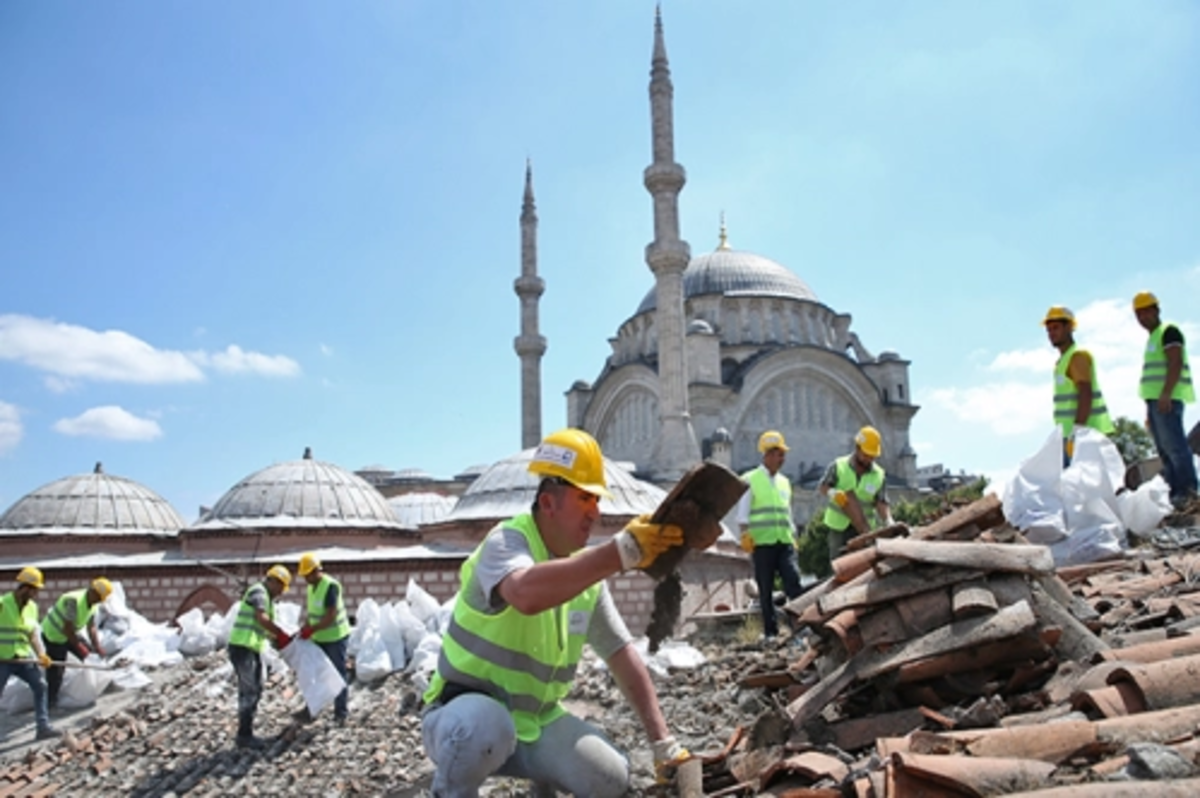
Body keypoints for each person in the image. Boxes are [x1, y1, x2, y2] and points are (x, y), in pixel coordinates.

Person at [421, 428, 690, 797]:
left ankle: (541, 789)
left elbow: (622, 654)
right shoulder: (505, 543)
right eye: (584, 499)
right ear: (547, 504)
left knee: (611, 778)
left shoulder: (586, 576)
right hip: (461, 719)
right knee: (483, 728)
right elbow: (526, 592)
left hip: (534, 724)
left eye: (596, 500)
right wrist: (619, 554)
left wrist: (663, 742)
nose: (595, 513)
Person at [736, 430, 803, 639]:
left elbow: (787, 511)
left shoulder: (785, 482)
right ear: (767, 454)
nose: (782, 458)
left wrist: (793, 535)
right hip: (762, 544)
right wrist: (745, 535)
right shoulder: (749, 479)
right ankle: (770, 633)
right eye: (778, 454)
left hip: (784, 541)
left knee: (794, 582)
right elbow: (743, 514)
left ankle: (801, 627)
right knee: (765, 590)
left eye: (783, 454)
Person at [1134, 291, 1198, 510]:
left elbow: (1175, 362)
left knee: (1175, 447)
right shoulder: (1153, 338)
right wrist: (1149, 411)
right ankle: (1174, 493)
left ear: (1156, 310)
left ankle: (1187, 492)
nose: (1143, 317)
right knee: (1164, 449)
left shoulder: (1168, 332)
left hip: (1167, 399)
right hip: (1156, 402)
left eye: (1146, 311)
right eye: (1139, 313)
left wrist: (1166, 393)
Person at [228, 564, 292, 750]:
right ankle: (244, 735)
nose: (281, 592)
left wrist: (283, 643)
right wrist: (280, 634)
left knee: (255, 688)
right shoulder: (259, 592)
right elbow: (262, 619)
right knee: (250, 690)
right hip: (242, 646)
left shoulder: (268, 599)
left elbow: (265, 629)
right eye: (281, 587)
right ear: (274, 582)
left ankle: (246, 732)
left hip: (250, 647)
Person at [1044, 305, 1115, 465]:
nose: (1051, 333)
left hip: (1086, 435)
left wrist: (1078, 431)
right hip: (1073, 435)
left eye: (1055, 328)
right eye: (1048, 330)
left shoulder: (1077, 357)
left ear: (1069, 327)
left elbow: (1085, 393)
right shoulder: (1063, 361)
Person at [0, 567, 60, 740]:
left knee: (40, 685)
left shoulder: (32, 608)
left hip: (22, 657)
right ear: (25, 588)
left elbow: (33, 634)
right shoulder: (3, 604)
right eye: (34, 590)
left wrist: (41, 654)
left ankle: (43, 727)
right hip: (2, 659)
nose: (35, 594)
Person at [819, 426, 895, 561]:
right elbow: (823, 486)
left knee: (863, 564)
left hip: (863, 529)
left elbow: (881, 501)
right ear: (857, 448)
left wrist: (888, 520)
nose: (868, 459)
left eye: (872, 456)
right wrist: (832, 493)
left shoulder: (879, 474)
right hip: (839, 527)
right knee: (839, 565)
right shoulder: (839, 465)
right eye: (866, 455)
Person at [41, 576, 112, 709]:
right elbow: (67, 628)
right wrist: (79, 646)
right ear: (93, 591)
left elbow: (91, 626)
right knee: (57, 669)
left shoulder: (92, 604)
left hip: (69, 633)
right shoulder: (73, 601)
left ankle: (99, 683)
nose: (98, 601)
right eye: (98, 597)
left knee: (90, 655)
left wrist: (96, 646)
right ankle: (51, 701)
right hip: (54, 635)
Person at [297, 553, 349, 723]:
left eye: (307, 575)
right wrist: (305, 628)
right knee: (315, 674)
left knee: (337, 673)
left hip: (335, 637)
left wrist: (312, 629)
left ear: (315, 571)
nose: (305, 578)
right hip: (319, 637)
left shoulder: (330, 586)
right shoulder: (311, 587)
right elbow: (313, 613)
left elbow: (330, 616)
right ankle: (311, 709)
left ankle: (341, 713)